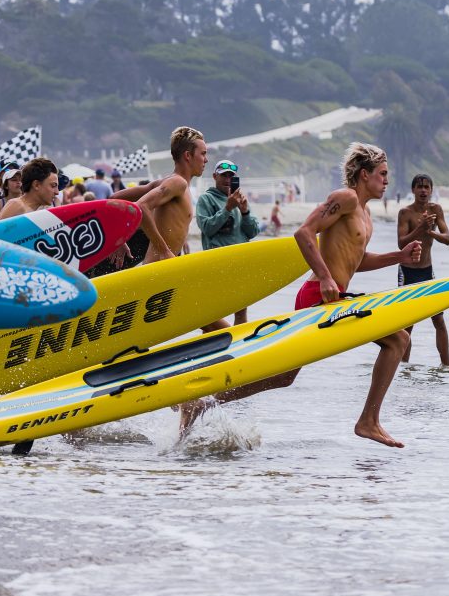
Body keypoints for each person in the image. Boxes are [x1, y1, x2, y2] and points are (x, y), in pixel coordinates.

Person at [180, 142, 423, 449]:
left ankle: (203, 403)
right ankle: (368, 422)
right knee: (398, 339)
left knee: (284, 377)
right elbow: (304, 233)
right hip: (318, 296)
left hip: (335, 295)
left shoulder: (365, 215)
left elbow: (353, 261)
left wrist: (397, 257)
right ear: (364, 175)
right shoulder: (345, 199)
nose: (387, 181)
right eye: (383, 174)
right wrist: (323, 276)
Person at [195, 159, 261, 324]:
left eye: (231, 176)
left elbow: (252, 231)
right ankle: (216, 344)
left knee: (240, 312)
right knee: (211, 316)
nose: (227, 179)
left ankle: (241, 346)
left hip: (240, 263)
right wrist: (227, 209)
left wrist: (245, 212)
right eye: (224, 175)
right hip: (218, 264)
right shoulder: (206, 199)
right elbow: (207, 228)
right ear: (215, 176)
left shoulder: (239, 200)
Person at [396, 173, 449, 365]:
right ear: (413, 190)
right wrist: (420, 228)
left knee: (439, 321)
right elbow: (400, 243)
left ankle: (446, 367)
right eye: (419, 187)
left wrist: (430, 231)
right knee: (407, 325)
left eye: (426, 187)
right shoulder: (405, 213)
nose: (423, 191)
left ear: (431, 190)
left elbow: (447, 239)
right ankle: (404, 368)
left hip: (427, 271)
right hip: (408, 272)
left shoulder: (436, 210)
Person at [132, 126, 209, 264]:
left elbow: (114, 198)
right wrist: (164, 251)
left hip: (159, 270)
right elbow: (141, 206)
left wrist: (118, 241)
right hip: (157, 272)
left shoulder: (168, 182)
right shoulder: (177, 183)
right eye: (203, 154)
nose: (206, 160)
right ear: (188, 156)